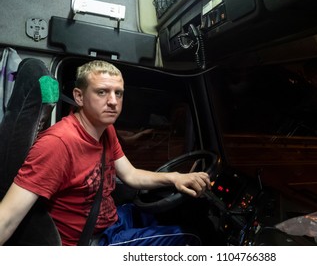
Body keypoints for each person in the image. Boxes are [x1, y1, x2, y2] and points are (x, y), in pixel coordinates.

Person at [0, 60, 211, 246]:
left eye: (118, 93)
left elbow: (131, 175)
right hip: (91, 241)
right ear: (79, 97)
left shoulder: (105, 129)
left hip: (112, 220)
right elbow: (7, 217)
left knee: (179, 215)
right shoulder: (58, 143)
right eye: (102, 92)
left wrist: (175, 177)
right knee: (190, 237)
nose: (113, 101)